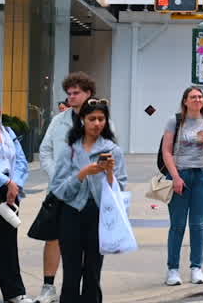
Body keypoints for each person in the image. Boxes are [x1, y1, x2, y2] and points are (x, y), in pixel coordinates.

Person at [49, 98, 128, 303]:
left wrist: (109, 172)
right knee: (71, 270)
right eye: (92, 119)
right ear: (83, 120)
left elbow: (119, 189)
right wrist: (83, 173)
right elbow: (59, 189)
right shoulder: (70, 150)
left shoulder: (113, 150)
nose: (97, 123)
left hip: (99, 215)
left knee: (93, 270)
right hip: (71, 213)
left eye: (101, 119)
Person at [37, 73, 96, 303]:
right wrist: (57, 177)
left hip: (89, 192)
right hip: (59, 190)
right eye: (69, 93)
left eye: (76, 93)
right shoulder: (58, 121)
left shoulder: (100, 119)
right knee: (53, 238)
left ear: (88, 93)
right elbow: (45, 151)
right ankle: (48, 287)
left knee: (86, 243)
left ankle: (86, 291)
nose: (71, 97)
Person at [160, 87, 203, 286]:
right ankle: (173, 269)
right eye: (193, 97)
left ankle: (196, 268)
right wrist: (175, 177)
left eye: (200, 97)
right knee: (177, 224)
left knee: (198, 224)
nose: (197, 100)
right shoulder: (175, 121)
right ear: (185, 101)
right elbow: (167, 151)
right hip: (181, 174)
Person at [0, 95, 34, 303]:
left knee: (7, 245)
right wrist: (6, 182)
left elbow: (21, 160)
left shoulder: (9, 132)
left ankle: (14, 293)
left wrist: (17, 184)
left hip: (10, 192)